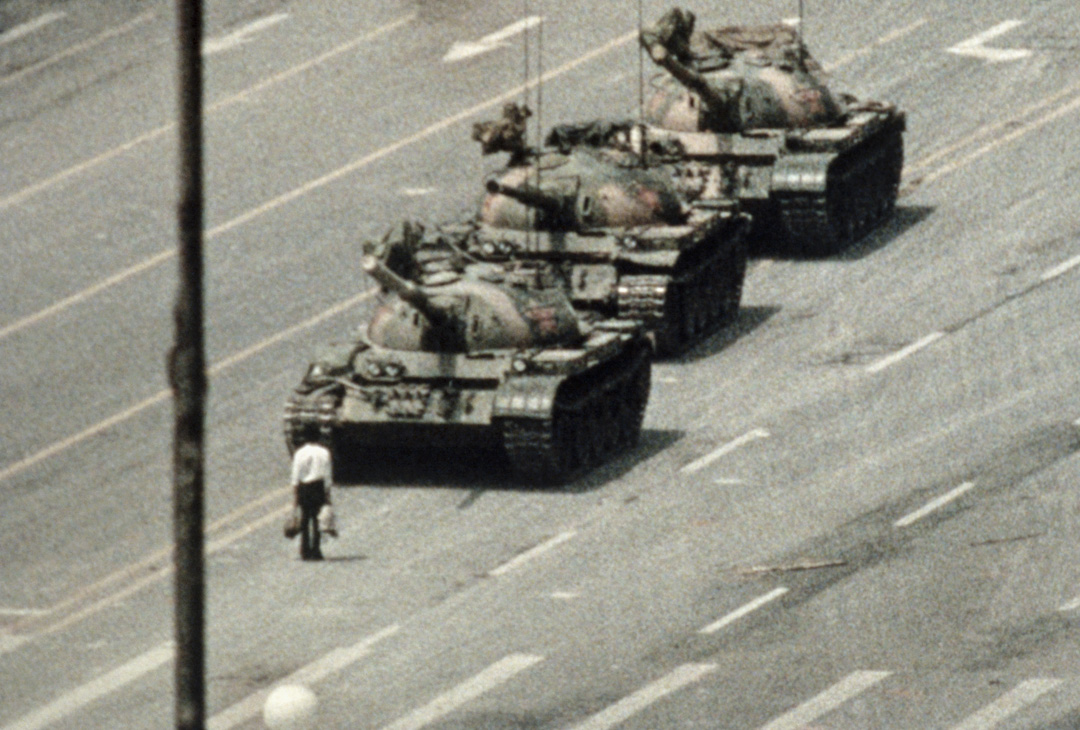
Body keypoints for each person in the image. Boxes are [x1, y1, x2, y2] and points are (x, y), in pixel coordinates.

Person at [289, 429, 335, 560]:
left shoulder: (299, 453)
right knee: (317, 519)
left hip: (304, 487)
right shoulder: (324, 452)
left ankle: (304, 549)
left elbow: (295, 474)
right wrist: (327, 492)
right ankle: (316, 550)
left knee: (304, 518)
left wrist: (295, 494)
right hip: (318, 486)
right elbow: (327, 474)